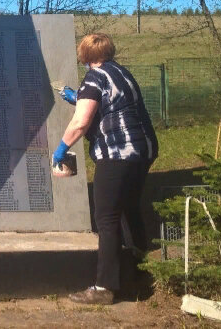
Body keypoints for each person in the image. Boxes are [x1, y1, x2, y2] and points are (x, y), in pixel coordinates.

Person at [52, 33, 158, 305]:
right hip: (143, 150)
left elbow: (81, 122)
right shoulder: (122, 73)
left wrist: (61, 149)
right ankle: (140, 272)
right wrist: (76, 96)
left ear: (85, 56)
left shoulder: (94, 77)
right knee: (129, 208)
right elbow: (111, 103)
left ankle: (104, 288)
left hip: (117, 153)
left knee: (106, 217)